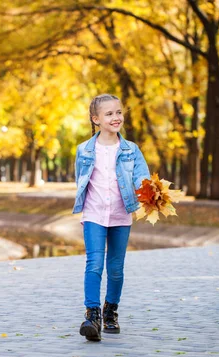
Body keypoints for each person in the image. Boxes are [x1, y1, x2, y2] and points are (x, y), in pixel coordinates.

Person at [73, 94, 150, 342]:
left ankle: (110, 311)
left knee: (115, 269)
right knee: (94, 264)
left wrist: (148, 192)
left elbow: (142, 178)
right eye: (109, 114)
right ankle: (92, 314)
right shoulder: (84, 150)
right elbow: (81, 180)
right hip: (94, 214)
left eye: (118, 112)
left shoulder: (131, 150)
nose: (116, 117)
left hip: (120, 215)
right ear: (96, 119)